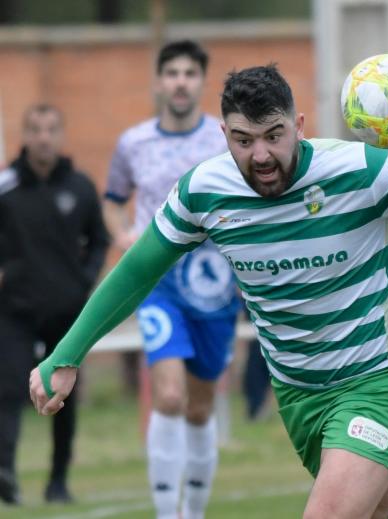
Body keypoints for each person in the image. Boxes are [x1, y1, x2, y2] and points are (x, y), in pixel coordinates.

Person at [30, 63, 388, 519]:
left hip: (381, 376)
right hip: (300, 394)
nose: (260, 155)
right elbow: (135, 272)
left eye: (274, 136)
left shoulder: (360, 170)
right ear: (223, 135)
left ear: (299, 124)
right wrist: (68, 352)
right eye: (243, 139)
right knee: (387, 497)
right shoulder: (204, 192)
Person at [102, 40, 240, 519]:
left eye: (189, 73)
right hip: (157, 281)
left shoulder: (223, 142)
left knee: (199, 408)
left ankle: (194, 511)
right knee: (169, 395)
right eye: (172, 73)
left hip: (213, 283)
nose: (180, 81)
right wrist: (122, 235)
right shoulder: (134, 141)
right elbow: (113, 196)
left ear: (201, 82)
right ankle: (167, 514)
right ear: (159, 82)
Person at [0, 104, 109, 505]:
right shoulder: (6, 187)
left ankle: (58, 480)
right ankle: (5, 473)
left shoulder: (80, 186)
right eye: (35, 129)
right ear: (24, 135)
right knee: (8, 388)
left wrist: (86, 279)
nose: (43, 137)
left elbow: (99, 239)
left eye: (50, 129)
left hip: (67, 311)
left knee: (59, 396)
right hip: (14, 310)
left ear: (61, 135)